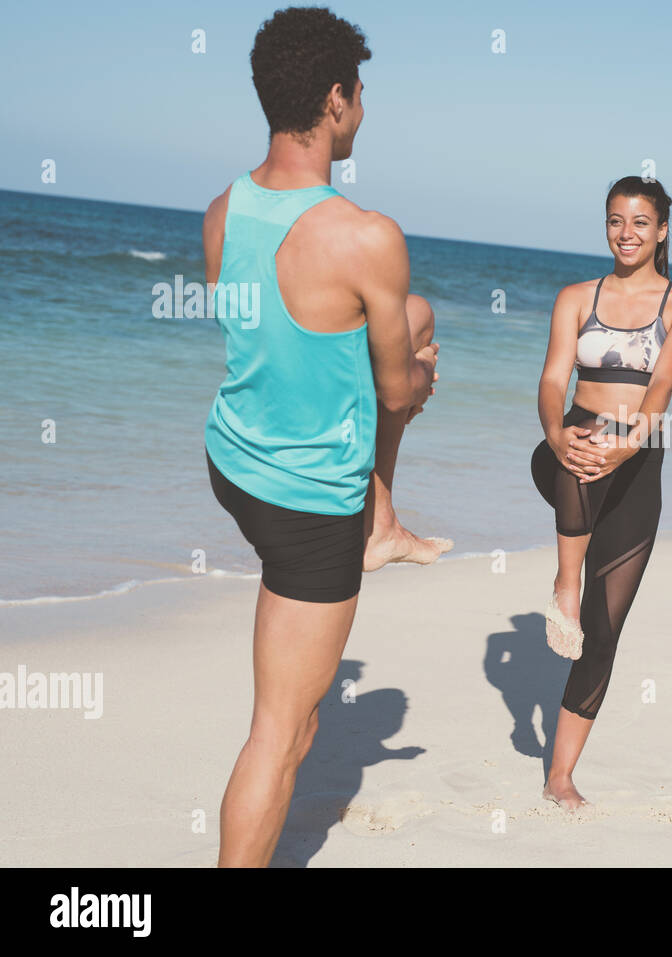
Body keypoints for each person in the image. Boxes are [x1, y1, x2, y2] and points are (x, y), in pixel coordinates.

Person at [203, 7, 449, 866]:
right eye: (362, 93)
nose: (363, 110)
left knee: (406, 314)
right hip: (306, 503)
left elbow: (270, 332)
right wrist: (422, 377)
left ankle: (382, 522)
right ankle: (372, 518)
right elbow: (391, 390)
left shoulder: (221, 211)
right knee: (285, 730)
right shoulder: (367, 236)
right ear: (337, 99)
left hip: (231, 459)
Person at [529, 176, 672, 809]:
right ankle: (564, 585)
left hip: (635, 467)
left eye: (638, 222)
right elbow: (553, 378)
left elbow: (660, 393)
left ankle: (560, 775)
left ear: (660, 230)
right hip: (566, 452)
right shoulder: (575, 296)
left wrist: (628, 444)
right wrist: (555, 435)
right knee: (584, 436)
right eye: (614, 221)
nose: (625, 233)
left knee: (604, 633)